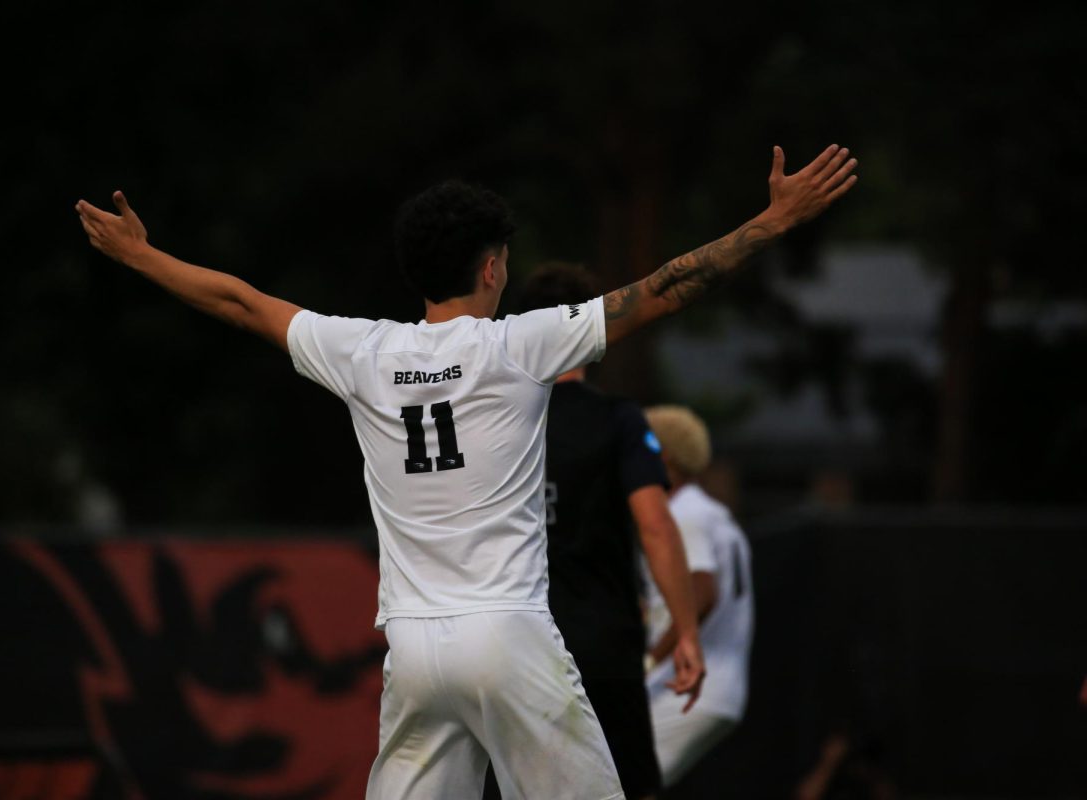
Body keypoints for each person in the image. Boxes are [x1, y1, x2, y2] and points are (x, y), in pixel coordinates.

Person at [76, 143, 856, 798]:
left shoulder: (363, 352)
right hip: (508, 636)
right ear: (491, 269)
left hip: (414, 648)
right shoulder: (522, 346)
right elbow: (669, 286)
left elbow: (241, 303)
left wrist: (142, 255)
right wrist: (776, 220)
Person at [482, 264, 702, 800]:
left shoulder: (493, 417)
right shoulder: (619, 420)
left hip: (511, 644)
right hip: (602, 645)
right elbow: (654, 523)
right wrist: (688, 630)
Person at [642, 405, 754, 785]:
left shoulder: (683, 514)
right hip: (716, 686)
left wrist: (648, 660)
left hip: (685, 687)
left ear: (664, 455)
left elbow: (703, 591)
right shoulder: (710, 512)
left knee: (612, 787)